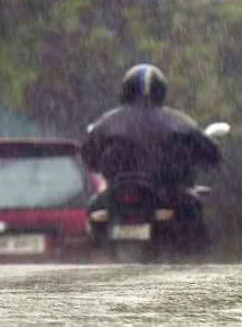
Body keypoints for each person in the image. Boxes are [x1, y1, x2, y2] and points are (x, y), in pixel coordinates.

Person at [82, 64, 221, 249]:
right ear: (161, 91)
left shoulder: (107, 122)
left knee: (94, 209)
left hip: (118, 195)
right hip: (166, 193)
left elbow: (89, 157)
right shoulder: (178, 121)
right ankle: (195, 260)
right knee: (194, 212)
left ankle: (95, 250)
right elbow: (210, 153)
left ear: (126, 90)